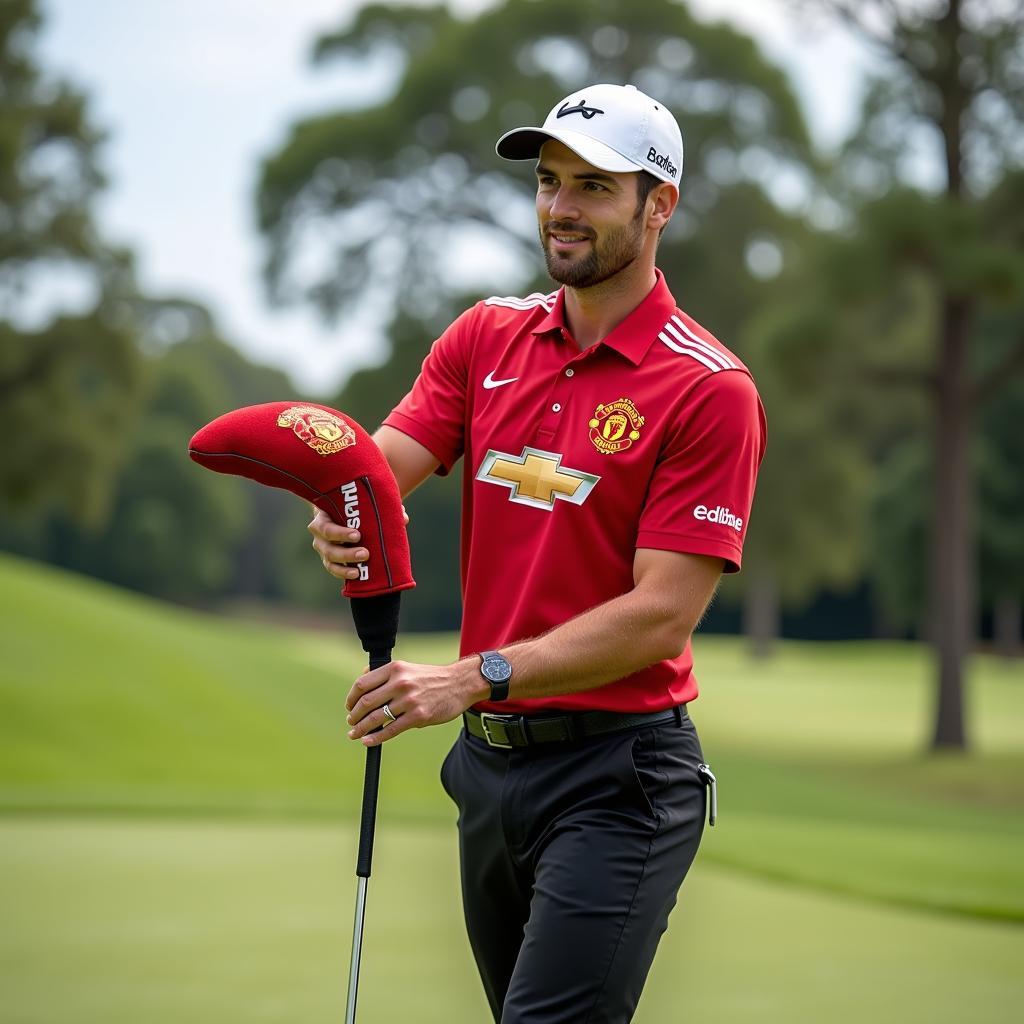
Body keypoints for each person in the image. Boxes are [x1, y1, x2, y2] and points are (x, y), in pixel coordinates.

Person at [310, 83, 766, 1023]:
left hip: (619, 778)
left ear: (660, 206)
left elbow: (661, 616)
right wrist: (341, 509)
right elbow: (380, 472)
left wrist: (470, 678)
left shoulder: (709, 388)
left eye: (595, 186)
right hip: (488, 774)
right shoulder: (486, 338)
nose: (560, 206)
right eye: (550, 182)